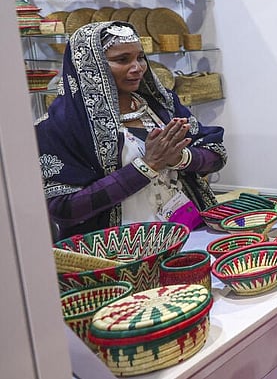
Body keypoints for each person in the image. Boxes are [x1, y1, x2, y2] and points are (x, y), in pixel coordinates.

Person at [36, 21, 227, 241]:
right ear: (90, 65)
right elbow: (63, 209)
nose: (137, 67)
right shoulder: (61, 125)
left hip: (188, 232)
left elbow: (216, 153)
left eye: (140, 57)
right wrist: (146, 166)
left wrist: (180, 158)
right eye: (122, 60)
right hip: (120, 250)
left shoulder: (160, 105)